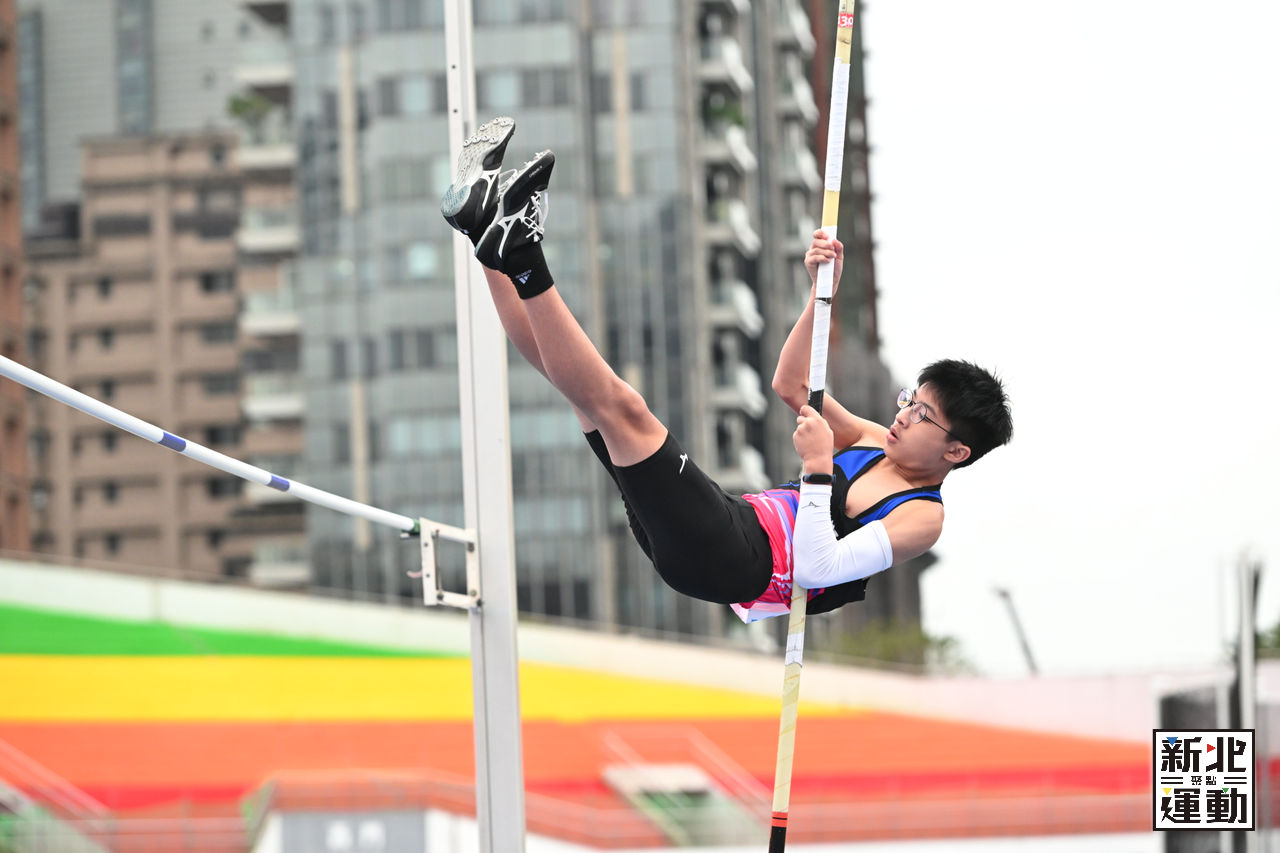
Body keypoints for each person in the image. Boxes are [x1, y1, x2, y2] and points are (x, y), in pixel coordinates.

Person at [441, 117, 1013, 622]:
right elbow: (791, 385)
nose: (903, 416)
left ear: (957, 450)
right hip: (732, 519)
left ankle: (523, 250)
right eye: (910, 401)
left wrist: (818, 466)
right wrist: (820, 299)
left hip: (737, 560)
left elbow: (818, 568)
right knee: (588, 398)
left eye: (922, 415)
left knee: (624, 408)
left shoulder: (921, 520)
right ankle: (484, 230)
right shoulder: (870, 438)